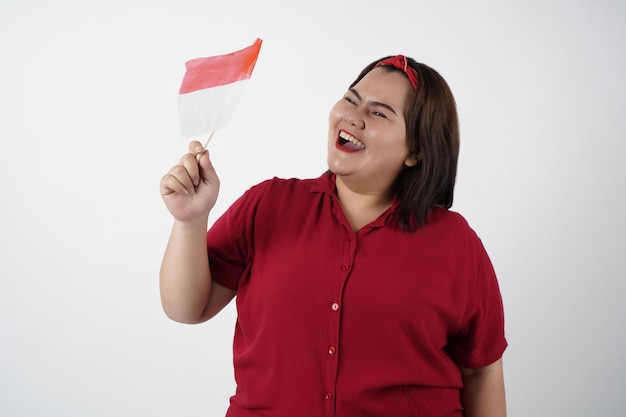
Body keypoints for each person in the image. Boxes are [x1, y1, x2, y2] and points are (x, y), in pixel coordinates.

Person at [160, 54, 507, 417]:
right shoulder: (268, 205)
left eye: (378, 113)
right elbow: (187, 308)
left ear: (416, 150)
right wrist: (190, 222)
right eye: (351, 99)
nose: (352, 116)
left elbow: (481, 370)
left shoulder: (455, 244)